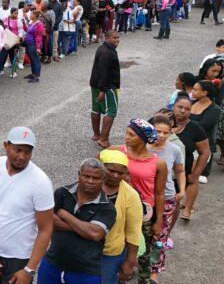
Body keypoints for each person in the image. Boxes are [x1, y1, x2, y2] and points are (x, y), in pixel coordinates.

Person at [0, 127, 54, 284]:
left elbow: (45, 230)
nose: (22, 157)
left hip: (20, 260)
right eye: (17, 150)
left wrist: (29, 270)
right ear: (6, 145)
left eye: (27, 152)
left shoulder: (41, 182)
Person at [38, 159, 116, 284]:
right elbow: (46, 219)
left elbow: (95, 234)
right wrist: (83, 228)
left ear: (103, 179)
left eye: (96, 178)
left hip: (86, 272)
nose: (90, 181)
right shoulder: (62, 193)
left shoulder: (107, 208)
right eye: (86, 176)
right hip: (52, 264)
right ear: (79, 174)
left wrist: (64, 214)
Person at [108, 119, 167, 284]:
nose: (126, 137)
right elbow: (94, 166)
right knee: (116, 245)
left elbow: (160, 193)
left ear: (143, 138)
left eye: (131, 135)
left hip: (144, 213)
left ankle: (144, 279)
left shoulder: (158, 163)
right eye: (127, 132)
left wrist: (159, 221)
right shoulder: (116, 151)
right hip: (117, 208)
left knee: (143, 251)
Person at [147, 115, 185, 283]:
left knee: (160, 235)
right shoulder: (141, 147)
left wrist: (182, 191)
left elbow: (180, 171)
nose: (161, 136)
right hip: (144, 198)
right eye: (158, 131)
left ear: (171, 133)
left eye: (166, 133)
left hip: (167, 197)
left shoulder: (175, 150)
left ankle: (154, 270)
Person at [99, 150, 142, 284]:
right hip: (82, 249)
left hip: (110, 253)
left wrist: (129, 262)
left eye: (120, 173)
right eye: (111, 170)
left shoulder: (131, 196)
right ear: (101, 167)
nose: (115, 175)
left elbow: (133, 230)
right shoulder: (90, 184)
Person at [169, 96, 210, 221]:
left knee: (174, 203)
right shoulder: (161, 121)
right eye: (180, 107)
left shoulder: (195, 128)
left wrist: (196, 173)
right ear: (173, 106)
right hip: (161, 168)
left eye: (187, 109)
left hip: (182, 170)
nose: (183, 111)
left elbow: (205, 152)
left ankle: (187, 209)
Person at [90, 31, 121, 149]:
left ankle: (96, 134)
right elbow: (104, 72)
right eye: (114, 38)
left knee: (96, 109)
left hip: (95, 84)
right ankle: (103, 139)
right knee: (111, 111)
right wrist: (103, 90)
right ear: (107, 38)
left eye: (118, 38)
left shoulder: (102, 48)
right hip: (107, 87)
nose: (117, 40)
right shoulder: (107, 53)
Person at [189, 80, 222, 180]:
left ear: (204, 92)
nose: (192, 92)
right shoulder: (192, 103)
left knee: (197, 177)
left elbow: (202, 125)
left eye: (195, 90)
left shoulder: (214, 109)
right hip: (189, 142)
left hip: (202, 146)